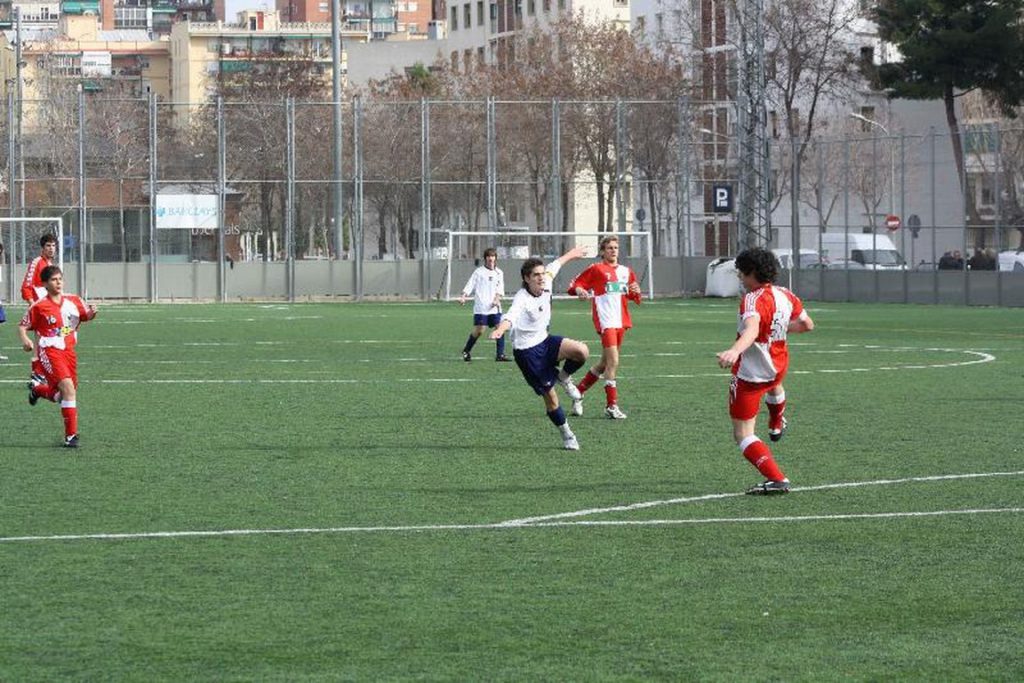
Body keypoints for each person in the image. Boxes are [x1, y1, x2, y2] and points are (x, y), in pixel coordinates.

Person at [716, 247, 814, 495]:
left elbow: (751, 328)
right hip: (778, 365)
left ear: (752, 273)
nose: (739, 277)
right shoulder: (786, 294)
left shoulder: (752, 298)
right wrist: (776, 330)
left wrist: (735, 350)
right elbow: (807, 325)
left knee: (742, 434)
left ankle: (776, 478)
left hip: (751, 373)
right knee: (775, 386)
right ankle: (776, 422)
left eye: (741, 272)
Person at [490, 246, 590, 450]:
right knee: (551, 398)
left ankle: (562, 377)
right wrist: (500, 329)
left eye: (542, 274)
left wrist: (574, 253)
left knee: (582, 351)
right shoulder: (522, 299)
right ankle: (567, 434)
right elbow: (511, 315)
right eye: (536, 275)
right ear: (527, 278)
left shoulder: (547, 281)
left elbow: (557, 264)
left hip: (545, 341)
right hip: (528, 353)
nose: (541, 277)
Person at [18, 265, 98, 448]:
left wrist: (93, 313)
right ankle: (70, 437)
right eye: (54, 280)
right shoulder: (39, 306)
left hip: (68, 351)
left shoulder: (74, 301)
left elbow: (85, 316)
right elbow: (23, 326)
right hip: (49, 350)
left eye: (60, 279)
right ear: (45, 284)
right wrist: (25, 340)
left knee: (64, 395)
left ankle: (38, 390)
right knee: (68, 389)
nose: (58, 282)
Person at [566, 236, 642, 419]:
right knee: (613, 362)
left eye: (615, 247)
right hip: (606, 321)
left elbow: (632, 294)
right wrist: (579, 290)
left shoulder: (626, 271)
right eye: (609, 248)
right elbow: (575, 284)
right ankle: (611, 406)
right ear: (602, 251)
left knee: (603, 364)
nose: (613, 250)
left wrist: (636, 292)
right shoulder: (596, 269)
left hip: (621, 322)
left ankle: (579, 391)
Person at [459, 247, 509, 362]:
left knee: (499, 327)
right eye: (489, 257)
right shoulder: (479, 272)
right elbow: (470, 285)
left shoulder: (499, 272)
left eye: (493, 257)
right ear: (485, 259)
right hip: (481, 307)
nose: (491, 259)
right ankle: (466, 350)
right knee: (480, 330)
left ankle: (500, 355)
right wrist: (463, 297)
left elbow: (500, 289)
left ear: (495, 258)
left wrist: (496, 299)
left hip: (494, 308)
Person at [21, 233, 59, 378]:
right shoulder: (37, 262)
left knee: (49, 341)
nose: (51, 249)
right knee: (41, 342)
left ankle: (40, 373)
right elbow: (26, 286)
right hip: (40, 309)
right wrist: (33, 304)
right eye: (48, 246)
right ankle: (37, 374)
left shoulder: (50, 265)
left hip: (50, 309)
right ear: (42, 248)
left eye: (53, 246)